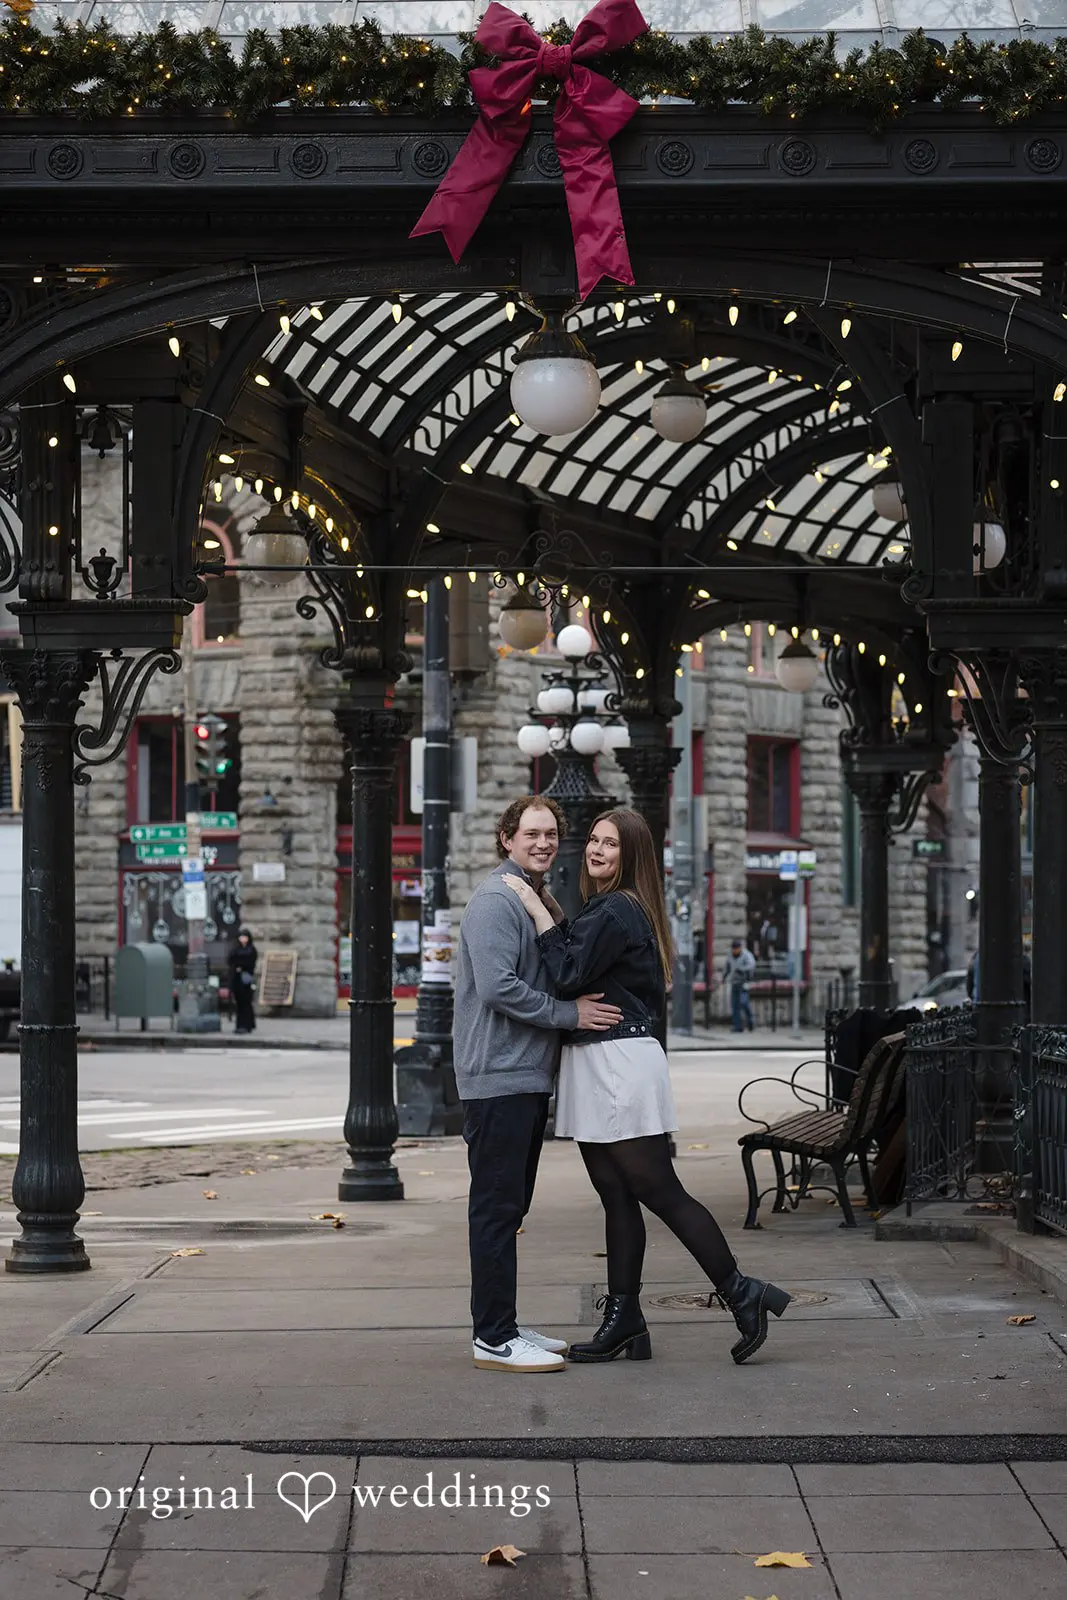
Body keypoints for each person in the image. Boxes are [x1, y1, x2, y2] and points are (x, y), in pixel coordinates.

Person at [504, 808, 790, 1367]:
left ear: (630, 855)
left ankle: (741, 1290)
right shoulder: (610, 908)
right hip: (600, 1061)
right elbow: (578, 961)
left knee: (659, 1190)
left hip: (617, 1063)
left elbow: (565, 974)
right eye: (592, 840)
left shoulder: (617, 908)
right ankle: (626, 1318)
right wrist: (559, 913)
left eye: (609, 844)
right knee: (616, 1194)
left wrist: (536, 905)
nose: (595, 849)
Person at [453, 795, 624, 1375]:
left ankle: (503, 1323)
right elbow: (500, 987)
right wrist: (568, 1014)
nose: (543, 842)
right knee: (497, 1210)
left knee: (509, 1207)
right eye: (531, 833)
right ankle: (493, 1338)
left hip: (520, 1077)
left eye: (551, 833)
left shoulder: (533, 896)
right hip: (498, 1077)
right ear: (507, 838)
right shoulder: (496, 900)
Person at [723, 936, 756, 1032]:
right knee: (735, 1005)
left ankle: (750, 1021)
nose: (735, 951)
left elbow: (752, 965)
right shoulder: (730, 955)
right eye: (734, 949)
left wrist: (741, 969)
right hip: (734, 982)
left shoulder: (746, 955)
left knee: (743, 1002)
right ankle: (738, 1026)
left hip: (744, 982)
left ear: (740, 948)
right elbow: (727, 967)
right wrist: (724, 977)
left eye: (737, 949)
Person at [228, 928, 257, 1035]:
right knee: (239, 1003)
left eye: (245, 937)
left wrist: (240, 964)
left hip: (246, 979)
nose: (243, 939)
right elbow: (231, 960)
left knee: (246, 1003)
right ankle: (240, 1025)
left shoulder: (251, 949)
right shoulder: (236, 949)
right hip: (237, 979)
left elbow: (248, 962)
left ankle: (246, 1025)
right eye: (241, 937)